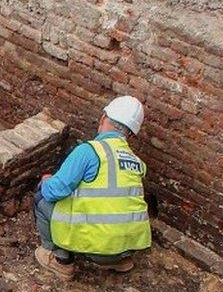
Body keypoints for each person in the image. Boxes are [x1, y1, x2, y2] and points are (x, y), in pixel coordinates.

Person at [33, 96, 152, 279]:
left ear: (103, 118)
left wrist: (48, 180)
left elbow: (55, 191)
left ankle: (60, 261)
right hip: (130, 246)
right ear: (131, 134)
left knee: (41, 196)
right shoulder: (136, 162)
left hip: (99, 249)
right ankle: (120, 261)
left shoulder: (89, 151)